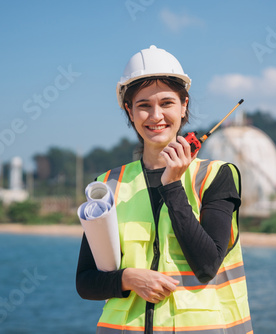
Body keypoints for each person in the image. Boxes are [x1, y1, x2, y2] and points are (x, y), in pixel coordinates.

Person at [76, 45, 253, 334]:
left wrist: (172, 186)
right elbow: (85, 281)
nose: (155, 115)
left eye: (167, 103)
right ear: (129, 111)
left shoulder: (215, 176)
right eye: (143, 105)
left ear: (184, 106)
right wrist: (127, 278)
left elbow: (207, 265)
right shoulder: (108, 184)